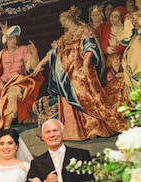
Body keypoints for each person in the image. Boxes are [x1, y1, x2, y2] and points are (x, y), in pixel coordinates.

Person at [34, 6, 126, 140]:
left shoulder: (84, 31)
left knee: (86, 98)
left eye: (64, 20)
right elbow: (53, 52)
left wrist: (84, 65)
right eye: (62, 21)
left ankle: (93, 127)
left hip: (81, 72)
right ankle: (74, 130)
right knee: (68, 100)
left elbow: (90, 48)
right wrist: (40, 64)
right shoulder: (66, 36)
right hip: (64, 76)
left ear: (70, 19)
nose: (62, 23)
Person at [0, 24, 43, 132]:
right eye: (10, 38)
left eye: (15, 38)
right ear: (6, 41)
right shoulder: (1, 54)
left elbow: (30, 68)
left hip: (20, 81)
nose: (13, 41)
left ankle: (6, 127)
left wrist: (34, 54)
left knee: (12, 95)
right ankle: (2, 114)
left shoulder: (24, 50)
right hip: (3, 82)